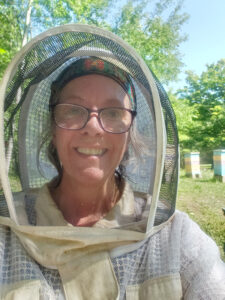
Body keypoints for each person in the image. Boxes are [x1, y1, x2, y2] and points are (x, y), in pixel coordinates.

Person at [0, 24, 224, 299]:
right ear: (53, 130)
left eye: (114, 112)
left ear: (130, 135)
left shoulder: (177, 239)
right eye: (72, 110)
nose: (93, 127)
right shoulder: (6, 237)